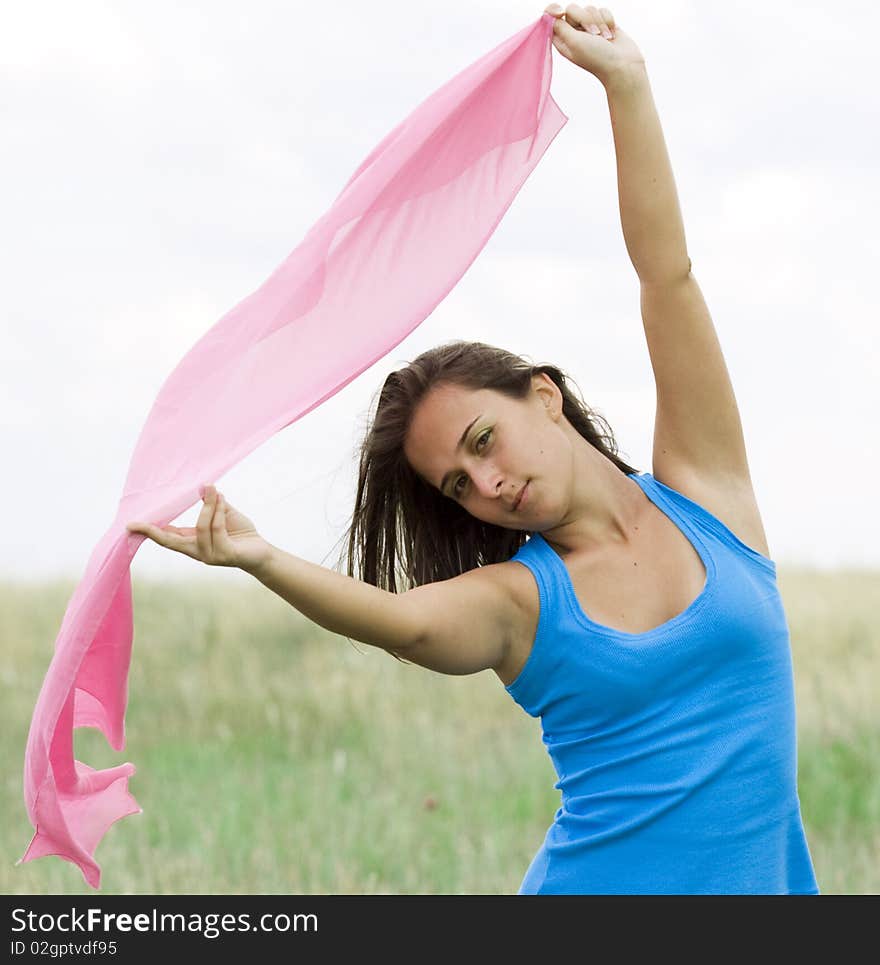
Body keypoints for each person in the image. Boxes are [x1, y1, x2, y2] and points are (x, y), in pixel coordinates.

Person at [127, 5, 820, 894]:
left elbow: (666, 279)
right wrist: (260, 557)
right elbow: (405, 624)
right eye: (459, 483)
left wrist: (627, 89)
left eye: (483, 441)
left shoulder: (709, 497)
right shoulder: (522, 604)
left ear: (545, 393)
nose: (489, 484)